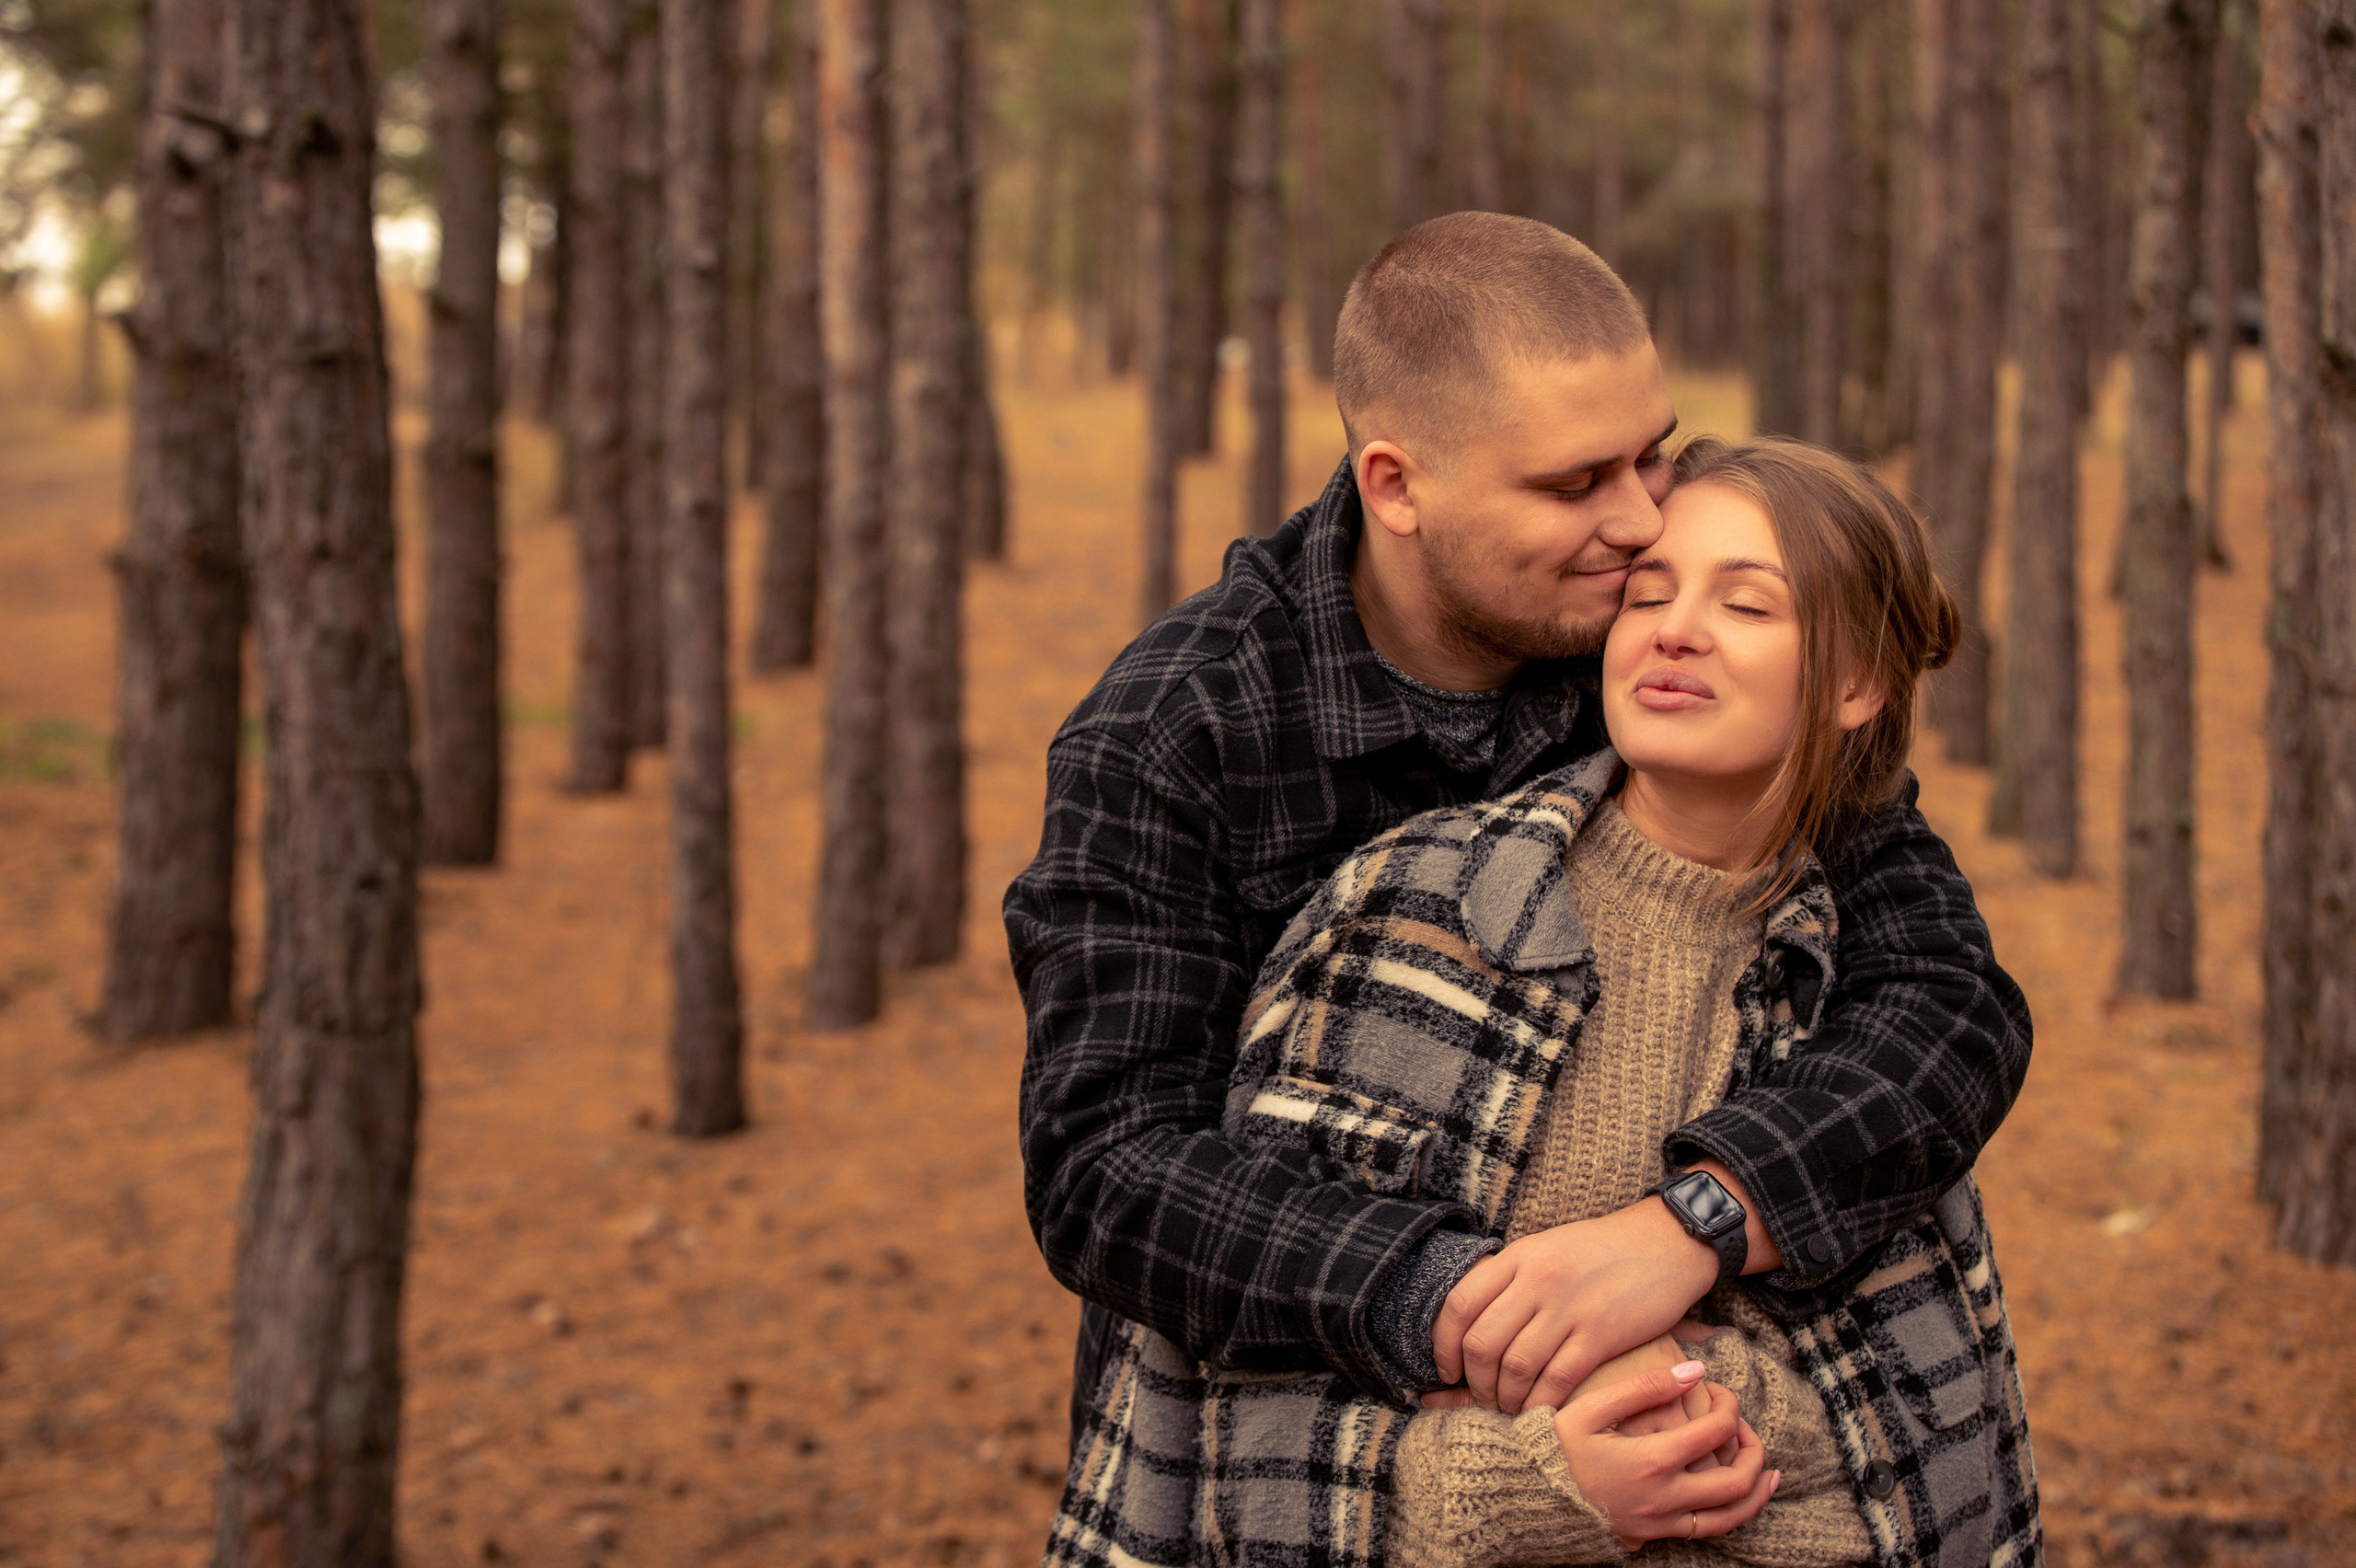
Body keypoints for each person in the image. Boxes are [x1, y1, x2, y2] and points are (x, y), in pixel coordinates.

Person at [1006, 210, 2028, 1526]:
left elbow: (1946, 999)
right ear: (1396, 484)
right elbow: (1108, 1170)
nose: (1641, 518)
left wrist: (1691, 1227)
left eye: (1650, 456)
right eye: (1574, 484)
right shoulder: (1175, 734)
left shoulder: (1660, 653)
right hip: (1306, 1445)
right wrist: (1465, 1312)